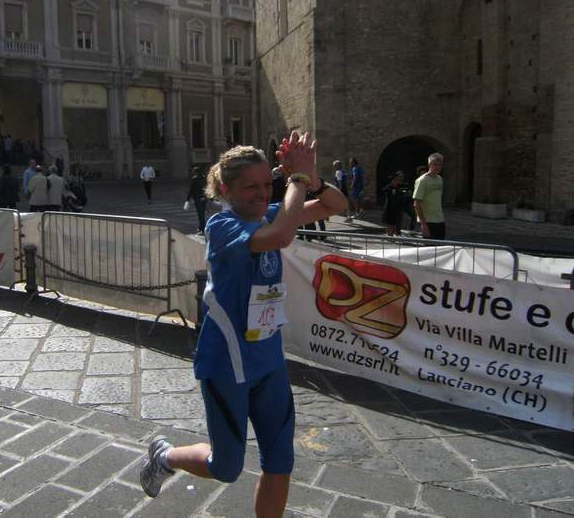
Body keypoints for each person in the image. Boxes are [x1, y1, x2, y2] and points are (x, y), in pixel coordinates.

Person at [139, 132, 347, 517]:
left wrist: (311, 178)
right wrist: (296, 183)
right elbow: (282, 235)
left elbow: (337, 204)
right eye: (251, 186)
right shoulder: (222, 226)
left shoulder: (270, 213)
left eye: (268, 184)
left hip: (269, 361)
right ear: (224, 188)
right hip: (227, 365)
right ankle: (165, 455)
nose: (261, 193)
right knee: (227, 467)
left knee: (280, 461)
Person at [413, 152, 445, 240]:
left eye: (440, 164)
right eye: (435, 164)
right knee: (429, 250)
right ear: (429, 165)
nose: (438, 167)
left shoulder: (440, 179)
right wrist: (423, 224)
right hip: (428, 221)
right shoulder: (422, 180)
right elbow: (416, 204)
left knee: (440, 249)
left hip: (440, 219)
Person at [381, 171, 406, 236]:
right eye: (395, 180)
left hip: (396, 208)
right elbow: (384, 191)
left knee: (394, 223)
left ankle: (393, 234)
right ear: (392, 181)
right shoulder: (388, 188)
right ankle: (389, 235)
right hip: (389, 208)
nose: (396, 181)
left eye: (397, 180)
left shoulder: (399, 188)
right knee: (389, 223)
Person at [185, 166, 208, 234]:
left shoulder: (194, 179)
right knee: (202, 213)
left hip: (197, 198)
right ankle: (201, 227)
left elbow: (191, 190)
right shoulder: (205, 178)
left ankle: (202, 229)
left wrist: (187, 199)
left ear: (196, 172)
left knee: (200, 214)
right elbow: (207, 188)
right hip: (204, 197)